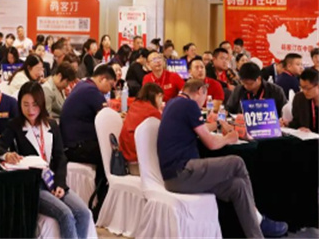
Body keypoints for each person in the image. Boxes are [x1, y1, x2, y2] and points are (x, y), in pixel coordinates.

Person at [158, 79, 288, 238]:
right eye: (204, 97)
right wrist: (229, 138)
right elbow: (212, 144)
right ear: (200, 91)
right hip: (182, 173)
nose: (203, 103)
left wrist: (219, 124)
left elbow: (202, 129)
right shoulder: (189, 105)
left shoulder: (174, 103)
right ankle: (258, 219)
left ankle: (256, 234)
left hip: (176, 176)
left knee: (238, 186)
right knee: (237, 162)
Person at [0, 82, 92, 239]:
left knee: (84, 213)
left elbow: (60, 157)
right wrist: (6, 155)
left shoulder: (51, 125)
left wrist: (60, 183)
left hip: (53, 181)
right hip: (34, 186)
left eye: (35, 105)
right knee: (65, 214)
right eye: (25, 105)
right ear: (20, 105)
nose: (30, 110)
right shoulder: (15, 126)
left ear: (42, 104)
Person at [60, 65, 116, 192]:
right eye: (110, 85)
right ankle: (102, 194)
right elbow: (106, 120)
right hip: (76, 147)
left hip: (70, 143)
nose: (109, 90)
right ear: (102, 79)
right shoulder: (92, 91)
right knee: (110, 155)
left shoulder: (83, 85)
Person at [119, 82, 163, 175]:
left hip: (128, 158)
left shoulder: (134, 105)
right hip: (142, 163)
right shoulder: (153, 112)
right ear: (158, 96)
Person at [285, 68, 319, 133]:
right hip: (306, 138)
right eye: (302, 88)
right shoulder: (299, 98)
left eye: (307, 88)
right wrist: (287, 124)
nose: (304, 92)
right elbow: (296, 123)